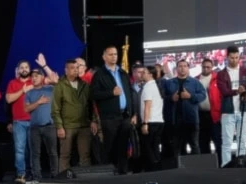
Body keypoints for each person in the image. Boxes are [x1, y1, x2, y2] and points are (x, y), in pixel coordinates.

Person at [90, 45, 136, 175]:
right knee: (110, 147)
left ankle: (123, 173)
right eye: (110, 54)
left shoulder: (123, 73)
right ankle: (110, 173)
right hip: (109, 117)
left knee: (123, 147)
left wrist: (133, 113)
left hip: (125, 116)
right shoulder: (99, 75)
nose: (114, 57)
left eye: (115, 54)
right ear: (104, 57)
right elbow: (94, 95)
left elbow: (130, 94)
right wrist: (111, 92)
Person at [53, 58, 95, 177]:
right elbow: (55, 109)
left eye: (77, 68)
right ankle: (63, 180)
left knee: (85, 155)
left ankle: (86, 179)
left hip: (84, 125)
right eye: (72, 68)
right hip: (68, 125)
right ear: (66, 70)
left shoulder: (85, 85)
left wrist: (93, 120)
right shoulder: (60, 86)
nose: (75, 70)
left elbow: (90, 104)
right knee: (65, 155)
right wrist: (59, 126)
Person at [214, 46, 246, 168]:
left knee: (242, 141)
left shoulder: (245, 71)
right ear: (227, 57)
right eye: (232, 57)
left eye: (237, 57)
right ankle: (226, 166)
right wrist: (237, 91)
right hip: (228, 111)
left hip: (242, 109)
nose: (235, 60)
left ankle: (241, 164)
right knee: (227, 142)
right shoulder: (221, 74)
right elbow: (224, 91)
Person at [161, 60, 207, 156]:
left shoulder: (195, 82)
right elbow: (162, 97)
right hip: (174, 120)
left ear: (188, 68)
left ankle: (196, 169)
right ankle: (178, 169)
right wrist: (171, 98)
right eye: (180, 66)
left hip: (191, 119)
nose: (182, 68)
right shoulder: (169, 83)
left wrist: (190, 96)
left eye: (185, 66)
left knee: (194, 145)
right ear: (176, 68)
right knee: (176, 147)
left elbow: (203, 95)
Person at [23, 68, 58, 182]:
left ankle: (55, 174)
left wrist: (45, 66)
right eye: (32, 76)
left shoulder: (50, 89)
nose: (34, 78)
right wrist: (38, 102)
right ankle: (37, 176)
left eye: (36, 76)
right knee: (35, 154)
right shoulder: (28, 93)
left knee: (52, 152)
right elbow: (27, 109)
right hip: (35, 128)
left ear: (42, 77)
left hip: (49, 126)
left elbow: (58, 82)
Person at [5, 60, 34, 183]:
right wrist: (22, 90)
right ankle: (21, 174)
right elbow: (8, 99)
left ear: (29, 69)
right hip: (19, 122)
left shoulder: (34, 81)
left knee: (33, 149)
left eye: (26, 67)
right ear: (18, 70)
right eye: (21, 67)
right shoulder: (12, 83)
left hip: (33, 120)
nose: (24, 69)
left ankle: (33, 172)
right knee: (20, 149)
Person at [139, 65, 165, 172]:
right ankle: (158, 171)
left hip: (150, 122)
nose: (141, 74)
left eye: (144, 72)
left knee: (148, 148)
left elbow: (147, 106)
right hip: (159, 121)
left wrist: (145, 123)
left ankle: (152, 171)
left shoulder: (148, 87)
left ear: (150, 74)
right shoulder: (156, 86)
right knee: (155, 148)